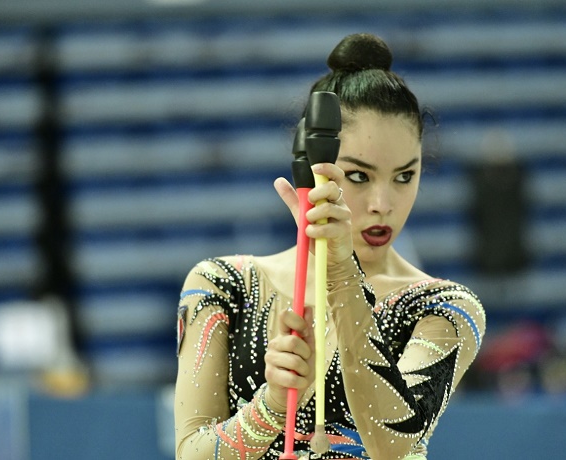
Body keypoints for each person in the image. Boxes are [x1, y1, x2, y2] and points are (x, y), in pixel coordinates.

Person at [174, 33, 485, 460]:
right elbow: (189, 453)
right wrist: (270, 406)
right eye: (358, 176)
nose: (383, 205)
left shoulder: (441, 307)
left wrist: (341, 274)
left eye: (404, 176)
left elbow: (392, 445)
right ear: (309, 166)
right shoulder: (224, 287)